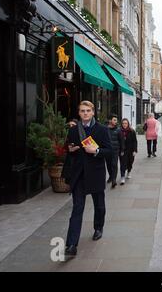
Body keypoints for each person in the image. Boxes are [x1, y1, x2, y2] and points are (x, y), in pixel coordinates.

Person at [64, 101, 112, 258]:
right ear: (79, 113)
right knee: (77, 209)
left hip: (96, 174)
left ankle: (98, 228)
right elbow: (68, 148)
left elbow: (109, 151)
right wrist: (70, 149)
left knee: (99, 205)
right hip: (79, 175)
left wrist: (96, 150)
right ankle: (71, 244)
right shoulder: (73, 130)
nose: (85, 113)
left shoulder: (102, 130)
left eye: (88, 110)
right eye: (82, 111)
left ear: (93, 113)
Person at [106, 114, 122, 188]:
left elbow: (121, 141)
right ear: (110, 121)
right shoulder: (105, 129)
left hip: (115, 150)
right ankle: (110, 176)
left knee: (114, 164)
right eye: (114, 120)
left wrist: (122, 150)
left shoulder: (118, 130)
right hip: (107, 151)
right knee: (109, 165)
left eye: (116, 120)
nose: (116, 121)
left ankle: (114, 180)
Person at [119, 119, 137, 185]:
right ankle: (122, 176)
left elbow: (135, 141)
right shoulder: (119, 131)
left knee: (130, 162)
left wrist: (135, 150)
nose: (124, 125)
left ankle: (129, 171)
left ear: (128, 124)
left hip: (131, 150)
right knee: (123, 163)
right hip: (123, 150)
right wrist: (120, 150)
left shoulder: (132, 131)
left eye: (126, 123)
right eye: (123, 123)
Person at [62, 119, 78, 185]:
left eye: (73, 125)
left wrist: (77, 147)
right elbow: (65, 147)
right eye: (70, 125)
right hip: (70, 160)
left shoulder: (81, 134)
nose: (71, 126)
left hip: (79, 160)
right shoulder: (68, 134)